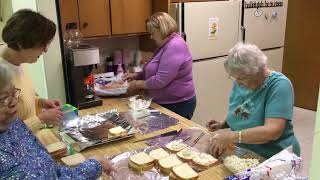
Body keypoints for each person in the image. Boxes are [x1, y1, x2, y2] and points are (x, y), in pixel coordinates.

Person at [0, 64, 113, 179]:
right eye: (4, 99)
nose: (14, 102)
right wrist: (91, 167)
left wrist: (88, 166)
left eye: (13, 93)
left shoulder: (14, 124)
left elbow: (50, 169)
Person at [207, 43, 300, 159]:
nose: (238, 82)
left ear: (256, 72)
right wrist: (223, 124)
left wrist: (231, 136)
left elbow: (272, 131)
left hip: (273, 156)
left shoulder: (280, 86)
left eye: (241, 78)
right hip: (244, 151)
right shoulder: (242, 82)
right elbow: (240, 108)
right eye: (235, 78)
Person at [123, 12, 196, 120]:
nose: (151, 37)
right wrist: (137, 75)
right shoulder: (165, 44)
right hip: (165, 103)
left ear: (162, 29)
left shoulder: (175, 45)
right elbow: (154, 68)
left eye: (152, 33)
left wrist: (137, 84)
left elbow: (160, 80)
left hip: (178, 104)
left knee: (173, 136)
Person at [0, 9, 63, 133]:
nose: (45, 50)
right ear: (20, 44)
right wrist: (41, 119)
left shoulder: (18, 59)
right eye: (41, 44)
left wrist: (41, 102)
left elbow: (23, 96)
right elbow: (5, 135)